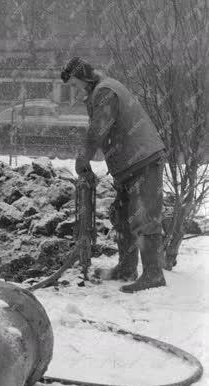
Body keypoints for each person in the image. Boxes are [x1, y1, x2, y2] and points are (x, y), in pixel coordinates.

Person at [61, 57, 167, 293]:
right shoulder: (100, 89)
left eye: (75, 86)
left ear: (85, 79)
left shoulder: (105, 92)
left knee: (143, 217)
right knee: (121, 216)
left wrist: (82, 159)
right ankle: (126, 268)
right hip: (129, 165)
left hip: (143, 160)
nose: (75, 93)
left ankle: (154, 274)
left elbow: (97, 130)